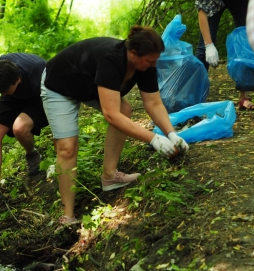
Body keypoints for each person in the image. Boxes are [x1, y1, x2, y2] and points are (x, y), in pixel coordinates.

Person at [41, 27, 189, 230]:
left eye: (155, 60)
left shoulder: (145, 64)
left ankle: (109, 177)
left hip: (89, 83)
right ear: (133, 53)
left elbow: (153, 102)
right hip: (60, 84)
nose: (153, 65)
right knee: (67, 147)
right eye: (150, 61)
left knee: (124, 109)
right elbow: (111, 115)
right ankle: (68, 216)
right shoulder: (111, 60)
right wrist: (153, 139)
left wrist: (171, 134)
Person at [0, 53, 49, 217]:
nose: (3, 95)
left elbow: (55, 97)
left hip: (39, 97)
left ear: (18, 80)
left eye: (4, 91)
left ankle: (32, 154)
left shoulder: (39, 74)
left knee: (20, 128)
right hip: (15, 95)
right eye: (1, 92)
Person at [195, 0, 254, 110]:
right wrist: (209, 45)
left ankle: (243, 97)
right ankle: (195, 99)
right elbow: (202, 8)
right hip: (214, 0)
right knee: (203, 49)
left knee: (246, 42)